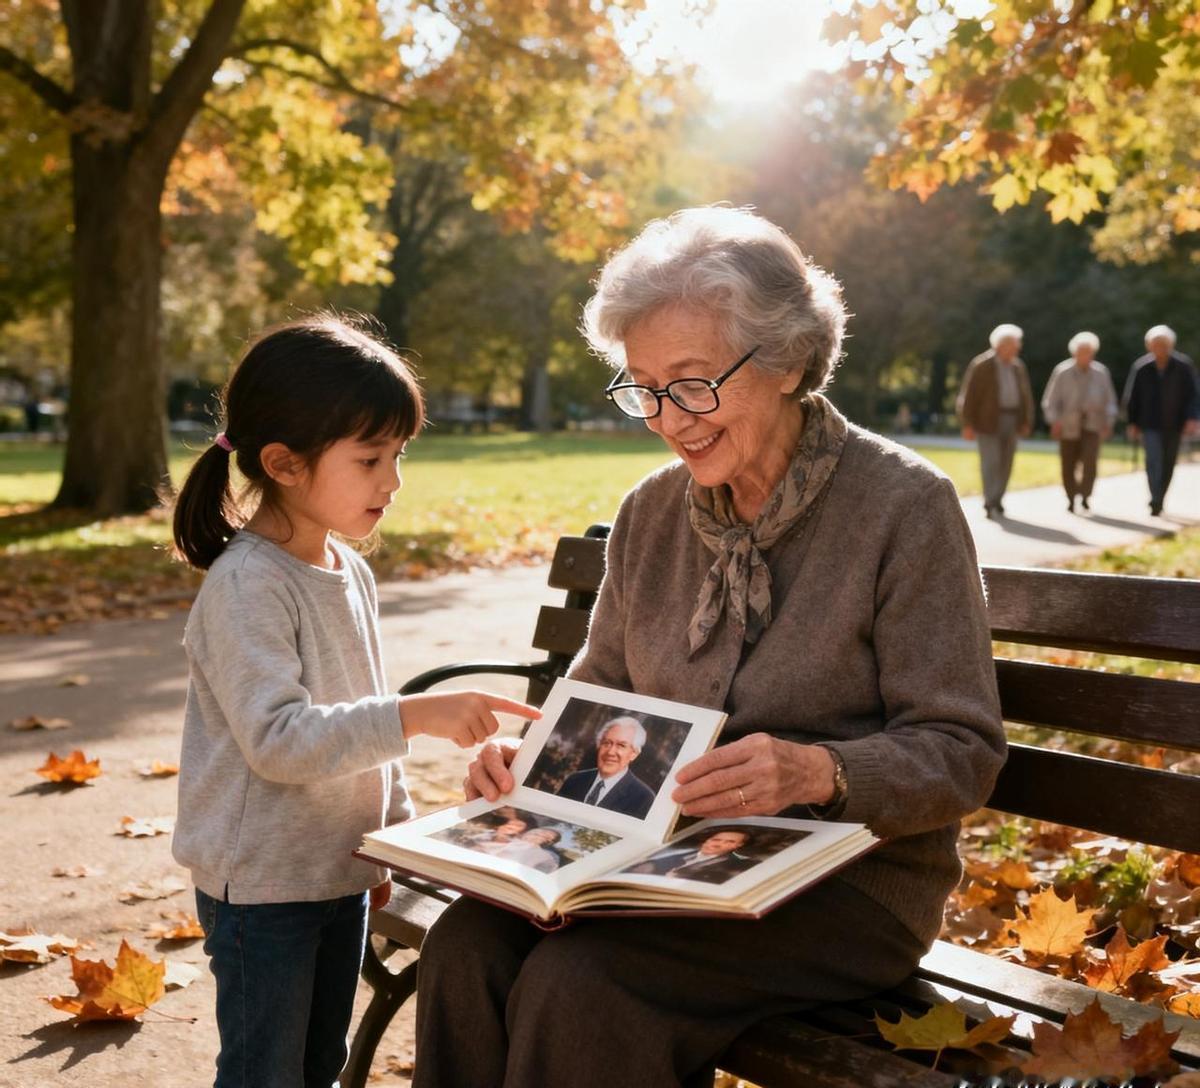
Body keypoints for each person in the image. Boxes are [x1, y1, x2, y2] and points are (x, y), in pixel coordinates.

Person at [413, 207, 1005, 1088]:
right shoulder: (652, 513)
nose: (664, 417)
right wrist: (529, 761)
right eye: (642, 387)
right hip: (651, 869)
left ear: (788, 360)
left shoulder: (902, 508)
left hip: (845, 888)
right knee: (466, 944)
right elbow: (599, 692)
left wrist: (820, 773)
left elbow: (963, 752)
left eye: (690, 382)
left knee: (585, 986)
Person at [169, 314, 540, 1088]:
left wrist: (389, 839)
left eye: (398, 455)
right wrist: (415, 716)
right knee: (266, 1071)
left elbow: (361, 712)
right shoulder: (247, 587)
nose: (393, 480)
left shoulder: (348, 569)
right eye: (370, 458)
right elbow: (279, 739)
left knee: (320, 1062)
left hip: (339, 870)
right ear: (285, 463)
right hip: (264, 886)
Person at [956, 323, 1035, 518]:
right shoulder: (982, 365)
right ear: (1002, 345)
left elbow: (1026, 397)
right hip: (988, 421)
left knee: (1006, 463)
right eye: (1015, 344)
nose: (1018, 348)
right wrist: (967, 424)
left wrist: (1026, 421)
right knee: (990, 462)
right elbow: (969, 397)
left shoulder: (1018, 366)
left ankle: (998, 499)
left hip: (1013, 419)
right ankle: (989, 501)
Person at [1123, 325, 1200, 516]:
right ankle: (1155, 498)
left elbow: (1193, 395)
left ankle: (1160, 497)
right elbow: (1132, 397)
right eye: (1156, 344)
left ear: (1171, 345)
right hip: (1149, 424)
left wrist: (1192, 418)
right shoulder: (1141, 368)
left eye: (1164, 345)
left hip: (1175, 424)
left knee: (1168, 463)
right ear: (1149, 346)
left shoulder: (1183, 366)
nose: (1160, 348)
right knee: (1153, 461)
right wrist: (1132, 422)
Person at [1040, 331, 1118, 512]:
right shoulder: (1062, 372)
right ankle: (1070, 497)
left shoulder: (1101, 373)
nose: (1085, 356)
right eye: (1082, 352)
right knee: (1068, 464)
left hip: (1093, 425)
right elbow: (1050, 402)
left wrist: (1109, 422)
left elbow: (1111, 402)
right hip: (1068, 426)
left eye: (1089, 352)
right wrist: (1054, 421)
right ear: (1074, 353)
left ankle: (1085, 495)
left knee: (1090, 463)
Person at [555, 715, 656, 817]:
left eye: (621, 745)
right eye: (606, 743)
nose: (610, 752)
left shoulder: (643, 798)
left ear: (634, 754)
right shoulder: (574, 780)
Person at [626, 828, 757, 884]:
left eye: (729, 842)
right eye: (715, 839)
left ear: (739, 846)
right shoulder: (677, 850)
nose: (718, 844)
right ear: (707, 839)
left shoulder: (736, 866)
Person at [476, 827, 565, 874]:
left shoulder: (547, 856)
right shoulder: (503, 837)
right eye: (536, 832)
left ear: (548, 842)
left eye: (546, 837)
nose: (538, 835)